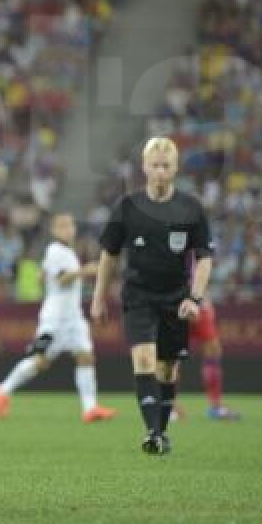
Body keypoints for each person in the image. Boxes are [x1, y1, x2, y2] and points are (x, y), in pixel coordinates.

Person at [90, 137, 214, 455]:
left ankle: (161, 431)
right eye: (155, 165)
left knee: (167, 369)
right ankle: (153, 433)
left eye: (166, 166)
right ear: (144, 167)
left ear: (175, 168)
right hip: (138, 296)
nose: (160, 171)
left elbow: (204, 258)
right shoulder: (127, 207)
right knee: (144, 358)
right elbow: (109, 255)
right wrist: (98, 298)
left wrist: (195, 299)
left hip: (176, 298)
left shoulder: (191, 208)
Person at [0, 213, 118, 423]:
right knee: (41, 361)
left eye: (70, 225)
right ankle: (3, 389)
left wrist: (44, 274)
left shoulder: (64, 252)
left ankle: (90, 408)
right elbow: (61, 279)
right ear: (53, 230)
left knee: (86, 356)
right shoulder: (55, 250)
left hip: (73, 316)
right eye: (62, 226)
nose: (68, 229)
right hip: (56, 318)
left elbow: (44, 274)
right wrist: (85, 270)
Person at [173, 301, 240, 420]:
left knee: (213, 350)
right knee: (170, 357)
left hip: (199, 307)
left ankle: (216, 407)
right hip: (173, 307)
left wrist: (204, 301)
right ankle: (169, 407)